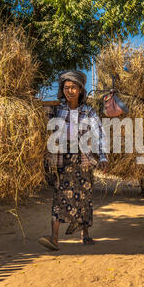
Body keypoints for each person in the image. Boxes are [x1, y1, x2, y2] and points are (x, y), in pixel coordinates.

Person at [38, 70, 108, 251]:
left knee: (84, 195)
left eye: (73, 87)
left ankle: (85, 234)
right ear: (62, 90)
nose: (69, 91)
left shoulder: (88, 111)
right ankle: (54, 238)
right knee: (59, 196)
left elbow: (99, 133)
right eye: (66, 88)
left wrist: (102, 156)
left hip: (82, 158)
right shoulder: (56, 109)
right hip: (61, 158)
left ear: (81, 90)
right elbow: (41, 125)